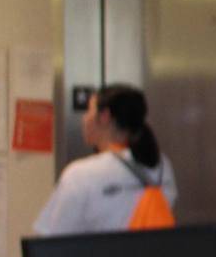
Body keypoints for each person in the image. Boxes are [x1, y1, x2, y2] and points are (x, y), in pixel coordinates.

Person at [31, 83, 177, 234]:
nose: (84, 118)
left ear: (104, 117)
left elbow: (52, 239)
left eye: (89, 110)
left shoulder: (80, 174)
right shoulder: (161, 165)